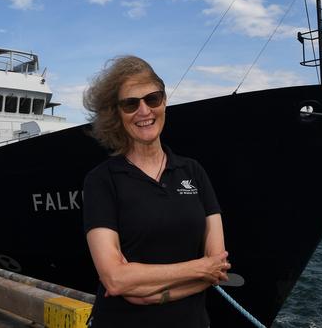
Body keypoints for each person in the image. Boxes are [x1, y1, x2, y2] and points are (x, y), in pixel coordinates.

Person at [82, 56, 230, 328]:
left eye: (152, 98)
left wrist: (147, 292)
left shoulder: (193, 172)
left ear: (164, 101)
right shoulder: (102, 181)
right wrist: (198, 269)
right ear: (116, 113)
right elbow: (114, 279)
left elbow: (217, 267)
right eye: (130, 103)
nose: (144, 111)